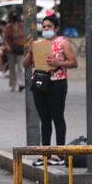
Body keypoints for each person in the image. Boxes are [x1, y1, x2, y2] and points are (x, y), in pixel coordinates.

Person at [24, 14, 77, 163]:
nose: (46, 29)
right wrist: (31, 51)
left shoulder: (63, 43)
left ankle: (59, 152)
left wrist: (57, 63)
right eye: (44, 27)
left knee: (57, 116)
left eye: (49, 27)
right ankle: (45, 152)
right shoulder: (37, 43)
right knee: (45, 119)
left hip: (57, 83)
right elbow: (25, 64)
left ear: (56, 28)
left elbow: (73, 62)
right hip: (40, 82)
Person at [2, 10, 26, 91]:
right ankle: (13, 84)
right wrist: (8, 47)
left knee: (20, 66)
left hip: (20, 48)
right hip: (11, 49)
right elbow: (5, 38)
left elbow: (25, 36)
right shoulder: (8, 27)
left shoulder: (22, 26)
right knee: (12, 67)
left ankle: (21, 83)